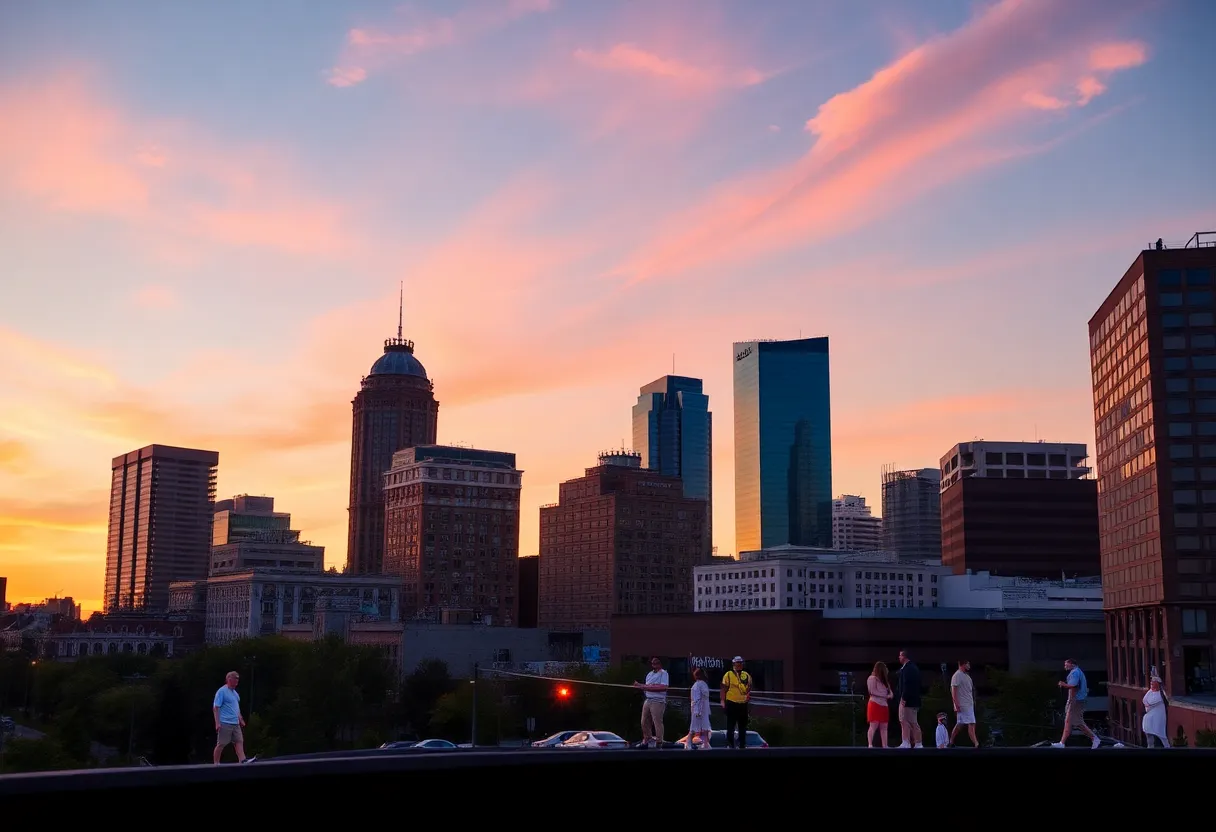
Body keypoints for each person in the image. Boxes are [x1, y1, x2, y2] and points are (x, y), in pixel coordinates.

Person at [1052, 657, 1099, 749]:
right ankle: (1062, 743)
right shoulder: (1076, 672)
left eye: (1066, 664)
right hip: (1075, 700)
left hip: (1076, 701)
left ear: (1072, 664)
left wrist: (1063, 684)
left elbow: (1073, 686)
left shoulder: (1075, 672)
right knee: (1069, 722)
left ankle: (1094, 738)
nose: (1065, 666)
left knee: (1076, 722)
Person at [213, 670, 254, 764]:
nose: (236, 680)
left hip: (235, 722)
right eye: (235, 678)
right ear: (228, 679)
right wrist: (217, 723)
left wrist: (240, 719)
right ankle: (216, 763)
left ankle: (242, 760)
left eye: (238, 679)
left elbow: (236, 708)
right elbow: (216, 707)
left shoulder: (235, 693)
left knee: (239, 741)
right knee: (221, 743)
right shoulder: (222, 691)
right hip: (225, 722)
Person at [633, 657, 669, 748]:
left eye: (656, 663)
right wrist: (644, 686)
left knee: (657, 721)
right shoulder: (649, 674)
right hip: (648, 699)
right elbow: (647, 686)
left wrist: (645, 686)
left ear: (660, 664)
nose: (654, 665)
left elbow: (663, 687)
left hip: (658, 701)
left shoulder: (663, 673)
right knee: (644, 721)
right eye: (653, 663)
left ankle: (659, 741)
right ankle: (647, 739)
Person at [720, 656, 752, 749]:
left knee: (743, 726)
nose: (739, 665)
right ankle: (730, 744)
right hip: (731, 703)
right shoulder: (728, 674)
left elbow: (749, 687)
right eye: (737, 663)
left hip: (742, 704)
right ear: (734, 664)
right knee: (731, 725)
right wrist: (722, 700)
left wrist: (748, 695)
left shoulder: (746, 675)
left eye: (741, 663)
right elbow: (723, 688)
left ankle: (742, 744)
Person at [896, 649, 923, 748]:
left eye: (900, 655)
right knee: (904, 721)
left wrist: (904, 698)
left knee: (912, 722)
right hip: (910, 700)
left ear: (904, 656)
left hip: (909, 701)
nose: (899, 657)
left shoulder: (909, 669)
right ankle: (906, 742)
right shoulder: (910, 668)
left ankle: (918, 743)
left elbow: (908, 685)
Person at [949, 660, 978, 748]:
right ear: (963, 664)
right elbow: (953, 690)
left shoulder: (967, 676)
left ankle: (950, 741)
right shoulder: (957, 675)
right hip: (963, 704)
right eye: (967, 664)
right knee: (971, 723)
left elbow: (970, 690)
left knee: (960, 724)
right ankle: (976, 743)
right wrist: (956, 704)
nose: (969, 665)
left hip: (969, 704)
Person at [866, 661, 893, 748]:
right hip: (875, 703)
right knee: (873, 725)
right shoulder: (872, 678)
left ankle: (885, 745)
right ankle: (870, 744)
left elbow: (891, 693)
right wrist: (885, 695)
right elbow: (872, 691)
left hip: (884, 705)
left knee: (884, 727)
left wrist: (889, 695)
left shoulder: (885, 681)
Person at [686, 666, 712, 750]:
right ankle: (688, 742)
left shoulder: (703, 684)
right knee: (694, 726)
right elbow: (696, 699)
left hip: (704, 709)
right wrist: (697, 711)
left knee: (705, 727)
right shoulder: (697, 685)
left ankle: (705, 743)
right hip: (698, 709)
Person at [1142, 674, 1171, 748]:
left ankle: (1167, 747)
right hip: (1149, 715)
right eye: (1151, 682)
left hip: (1157, 715)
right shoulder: (1150, 692)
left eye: (1153, 682)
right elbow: (1144, 700)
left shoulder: (1161, 694)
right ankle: (1150, 747)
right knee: (1148, 731)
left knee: (1160, 733)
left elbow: (1153, 703)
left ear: (1157, 683)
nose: (1151, 683)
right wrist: (1147, 704)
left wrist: (1148, 704)